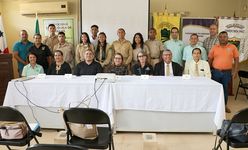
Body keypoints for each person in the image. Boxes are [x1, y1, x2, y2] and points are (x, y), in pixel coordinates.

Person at [208, 31, 239, 113]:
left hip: (227, 73)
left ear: (227, 38)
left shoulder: (233, 47)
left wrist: (235, 71)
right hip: (215, 72)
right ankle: (214, 106)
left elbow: (236, 59)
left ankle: (224, 106)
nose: (222, 38)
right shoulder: (214, 47)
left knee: (225, 90)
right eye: (221, 37)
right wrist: (208, 71)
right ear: (218, 38)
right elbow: (210, 59)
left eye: (224, 36)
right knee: (215, 89)